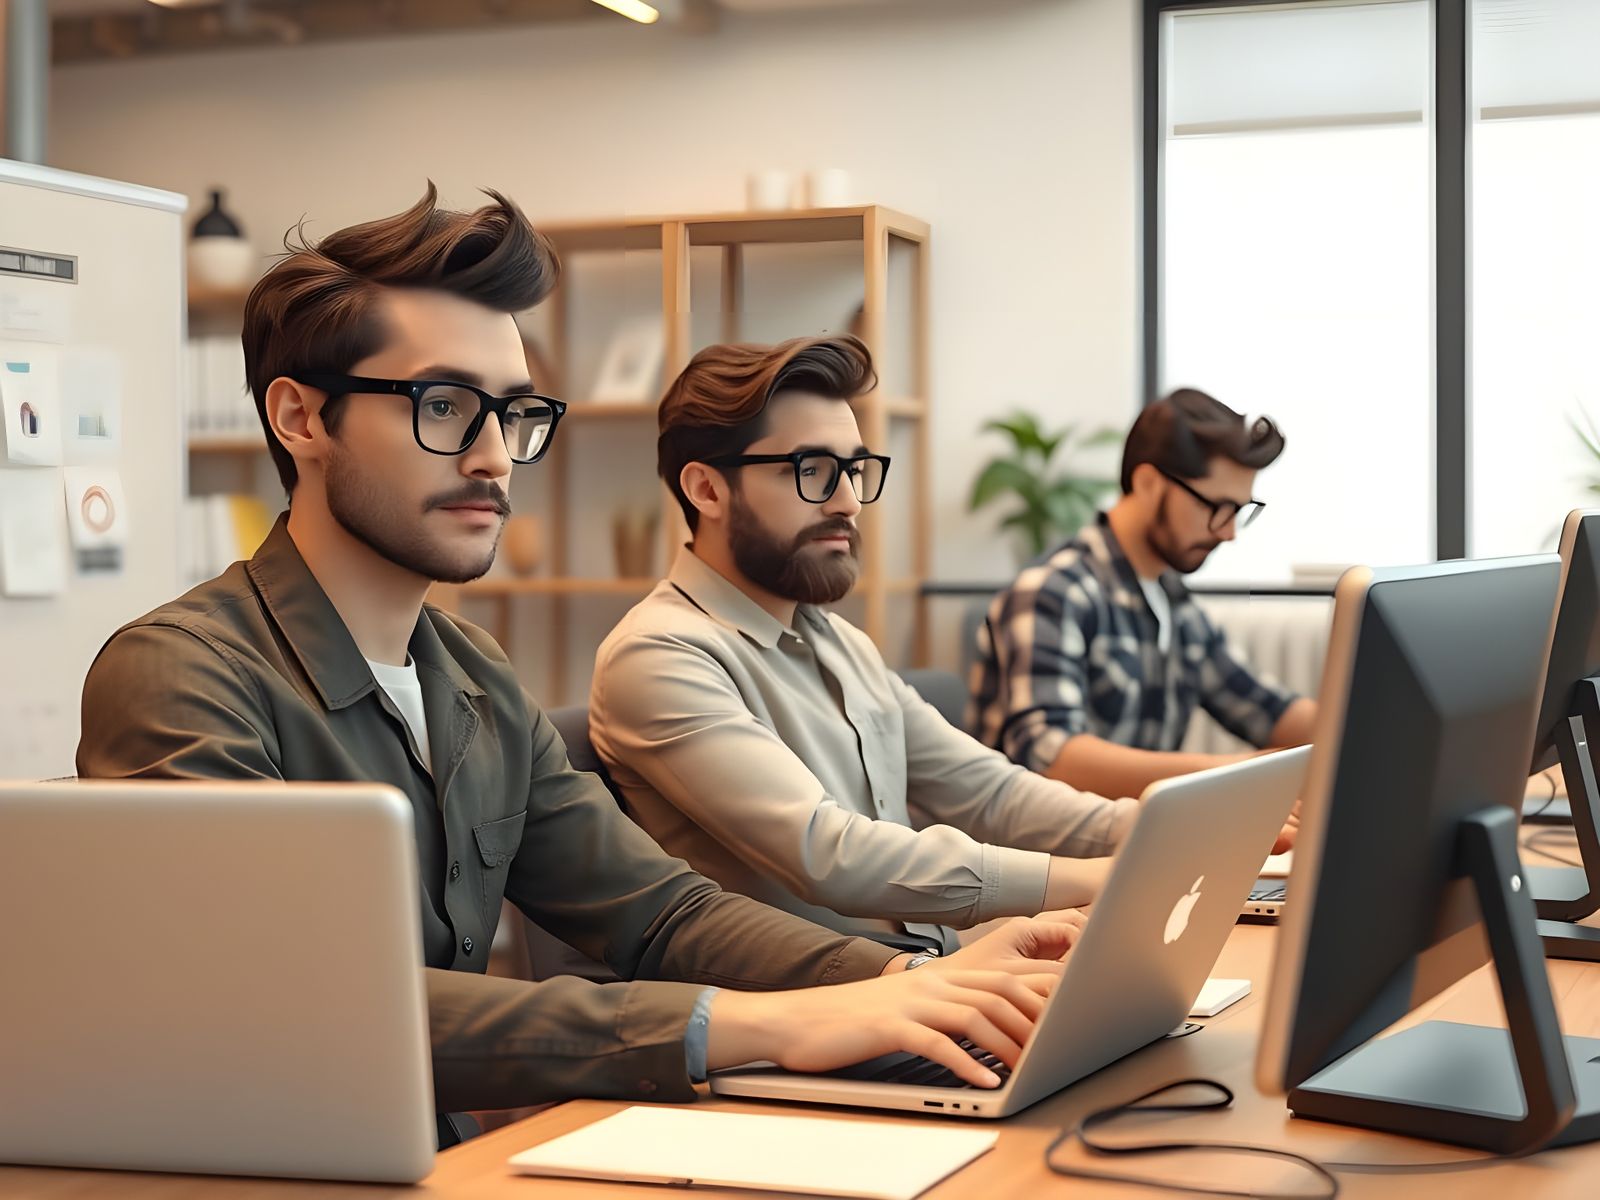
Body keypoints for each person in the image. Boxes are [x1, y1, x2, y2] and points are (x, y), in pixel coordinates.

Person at [75, 188, 1083, 1144]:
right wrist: (760, 1025)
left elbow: (660, 910)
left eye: (512, 414)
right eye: (443, 405)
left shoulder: (470, 672)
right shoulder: (179, 677)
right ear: (301, 419)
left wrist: (903, 983)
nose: (493, 456)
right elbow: (302, 1003)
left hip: (431, 1157)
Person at [590, 334, 1134, 957]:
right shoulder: (659, 655)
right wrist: (1098, 879)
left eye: (853, 470)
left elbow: (991, 793)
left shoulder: (839, 641)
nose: (849, 501)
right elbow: (829, 854)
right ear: (707, 490)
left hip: (934, 971)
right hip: (812, 1005)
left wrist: (1150, 829)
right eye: (813, 470)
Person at [970, 388, 1316, 840]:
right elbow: (1053, 757)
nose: (1228, 532)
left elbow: (1269, 709)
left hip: (1131, 847)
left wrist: (1361, 726)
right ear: (1149, 482)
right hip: (1040, 860)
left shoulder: (1172, 600)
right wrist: (1230, 775)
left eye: (1240, 511)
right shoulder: (1052, 592)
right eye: (1216, 507)